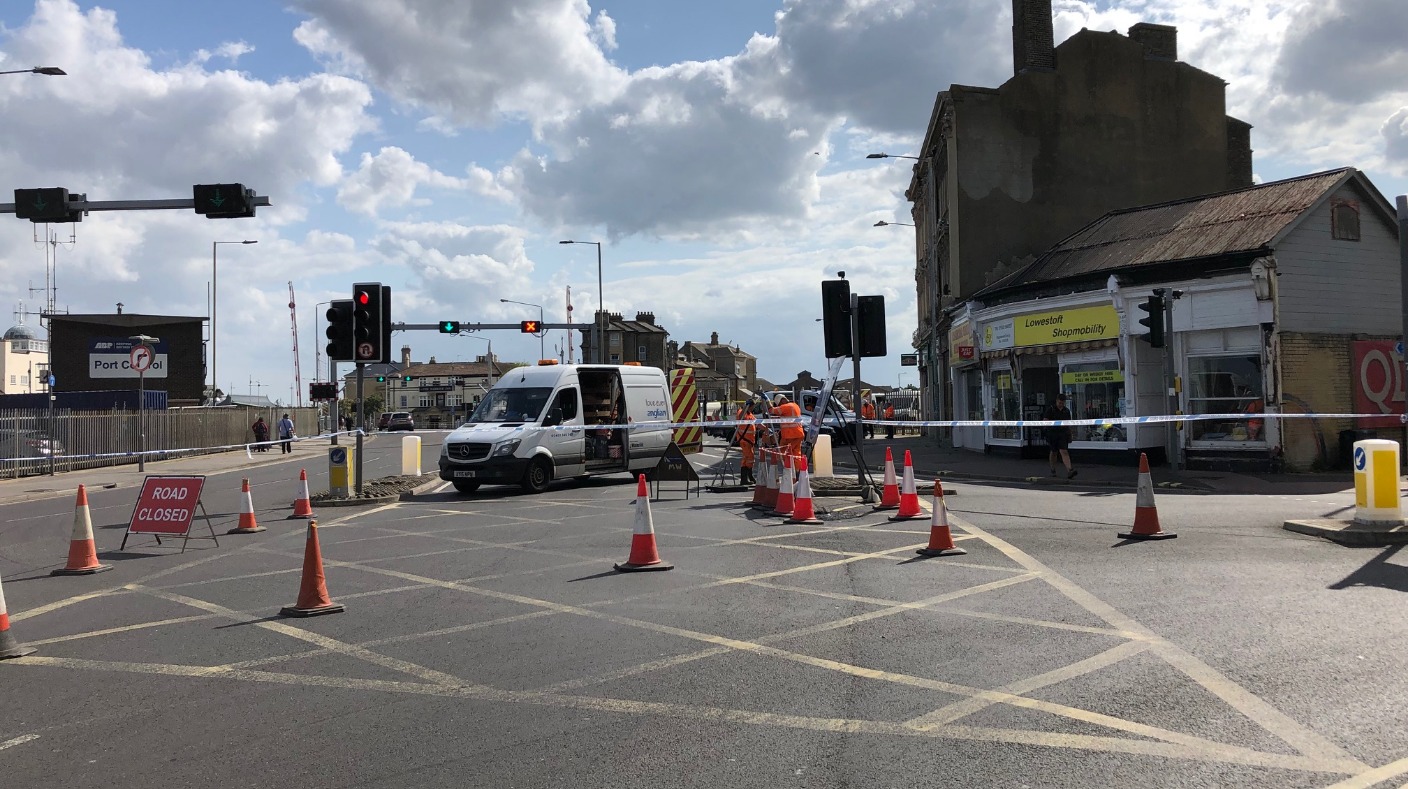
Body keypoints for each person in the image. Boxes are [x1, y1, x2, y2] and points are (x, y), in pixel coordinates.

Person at [1044, 393, 1076, 478]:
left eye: (1062, 403)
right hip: (1053, 433)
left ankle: (1070, 470)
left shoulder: (1066, 411)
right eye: (1059, 402)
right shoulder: (1050, 409)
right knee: (1054, 452)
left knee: (1064, 451)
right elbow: (1045, 421)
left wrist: (1070, 433)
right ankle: (1053, 469)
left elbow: (1069, 423)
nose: (1061, 404)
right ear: (1056, 401)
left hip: (1063, 434)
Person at [769, 393, 805, 460]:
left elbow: (772, 410)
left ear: (782, 400)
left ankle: (788, 469)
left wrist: (767, 401)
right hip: (799, 433)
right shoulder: (795, 405)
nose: (780, 406)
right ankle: (798, 469)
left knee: (785, 453)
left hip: (789, 435)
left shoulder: (786, 406)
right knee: (796, 453)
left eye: (779, 404)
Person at [734, 403, 757, 485]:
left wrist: (766, 428)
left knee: (746, 459)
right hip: (744, 440)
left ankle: (747, 477)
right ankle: (746, 478)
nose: (753, 408)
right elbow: (740, 417)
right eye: (752, 407)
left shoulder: (750, 415)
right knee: (750, 458)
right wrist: (745, 407)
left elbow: (757, 423)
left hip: (750, 441)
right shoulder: (741, 412)